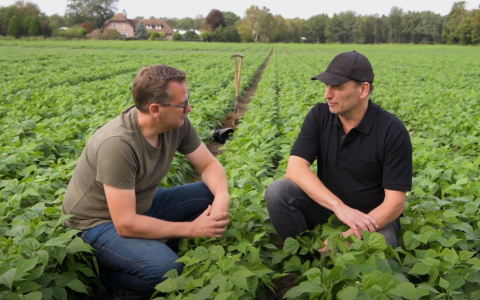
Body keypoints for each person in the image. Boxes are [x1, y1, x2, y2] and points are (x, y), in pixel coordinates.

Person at [62, 65, 230, 296]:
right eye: (182, 105)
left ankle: (150, 247)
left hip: (140, 206)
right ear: (156, 109)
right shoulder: (117, 144)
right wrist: (191, 229)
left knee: (208, 193)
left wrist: (222, 196)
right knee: (168, 271)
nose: (189, 109)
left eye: (187, 99)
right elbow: (126, 222)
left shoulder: (176, 124)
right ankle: (101, 275)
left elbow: (209, 164)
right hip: (96, 223)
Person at [265, 51, 412, 251]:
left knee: (382, 243)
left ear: (363, 90)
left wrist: (352, 234)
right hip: (329, 208)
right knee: (278, 191)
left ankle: (340, 269)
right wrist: (339, 208)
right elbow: (295, 169)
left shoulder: (392, 131)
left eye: (337, 87)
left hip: (372, 217)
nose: (327, 94)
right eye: (327, 86)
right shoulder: (319, 115)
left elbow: (395, 203)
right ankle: (305, 264)